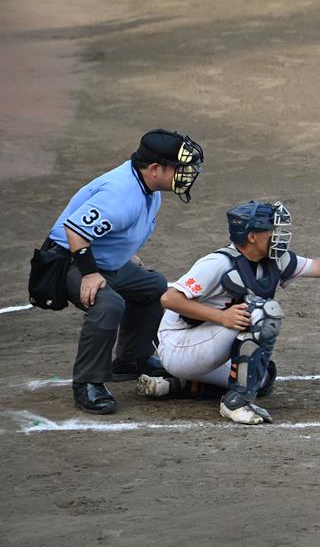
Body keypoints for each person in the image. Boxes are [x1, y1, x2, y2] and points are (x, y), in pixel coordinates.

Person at [146, 200, 320, 425]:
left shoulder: (273, 261)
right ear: (252, 236)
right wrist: (222, 317)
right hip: (179, 345)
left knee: (260, 377)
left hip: (205, 345)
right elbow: (170, 298)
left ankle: (180, 385)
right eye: (271, 230)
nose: (278, 235)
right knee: (261, 313)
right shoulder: (217, 264)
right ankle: (235, 404)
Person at [42, 129, 205, 414]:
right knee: (108, 304)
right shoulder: (120, 195)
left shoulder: (148, 188)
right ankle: (87, 383)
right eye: (179, 168)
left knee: (153, 285)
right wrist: (89, 273)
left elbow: (116, 229)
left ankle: (132, 360)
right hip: (68, 261)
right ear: (155, 168)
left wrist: (124, 254)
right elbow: (74, 230)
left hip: (105, 261)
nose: (186, 174)